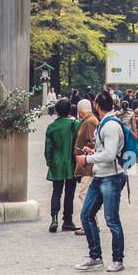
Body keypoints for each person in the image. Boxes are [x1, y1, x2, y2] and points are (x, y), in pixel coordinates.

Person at [74, 91, 126, 271]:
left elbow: (111, 154)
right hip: (101, 175)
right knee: (87, 214)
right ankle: (95, 255)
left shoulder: (110, 126)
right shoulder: (105, 123)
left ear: (97, 105)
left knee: (111, 219)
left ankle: (117, 259)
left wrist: (87, 159)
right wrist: (93, 152)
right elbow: (107, 152)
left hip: (111, 176)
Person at [44, 96, 78, 233]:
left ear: (56, 110)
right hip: (71, 162)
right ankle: (67, 220)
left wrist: (49, 161)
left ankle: (54, 219)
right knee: (70, 193)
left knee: (56, 191)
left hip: (57, 162)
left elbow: (48, 148)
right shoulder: (75, 124)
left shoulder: (52, 126)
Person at [73, 98, 98, 235]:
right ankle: (92, 222)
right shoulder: (91, 120)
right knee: (89, 194)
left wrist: (85, 151)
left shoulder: (89, 123)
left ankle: (86, 224)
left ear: (79, 111)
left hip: (89, 164)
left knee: (84, 194)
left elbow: (92, 143)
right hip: (89, 163)